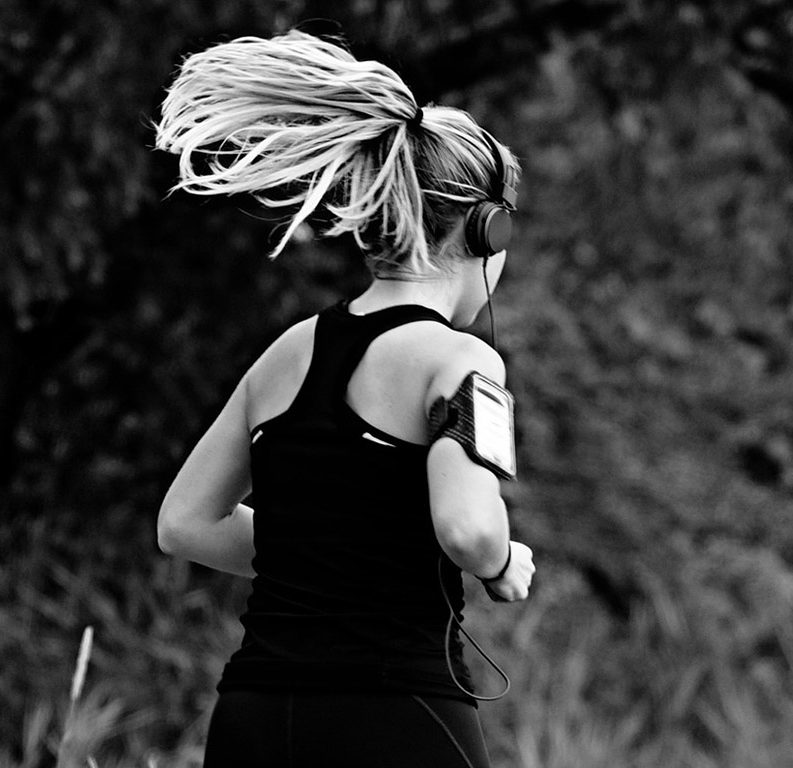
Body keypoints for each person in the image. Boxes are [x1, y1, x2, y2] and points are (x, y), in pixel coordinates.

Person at [153, 30, 535, 768]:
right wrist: (500, 563)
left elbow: (185, 523)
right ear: (488, 231)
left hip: (257, 717)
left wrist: (326, 555)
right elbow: (467, 527)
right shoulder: (465, 361)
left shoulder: (288, 351)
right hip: (394, 712)